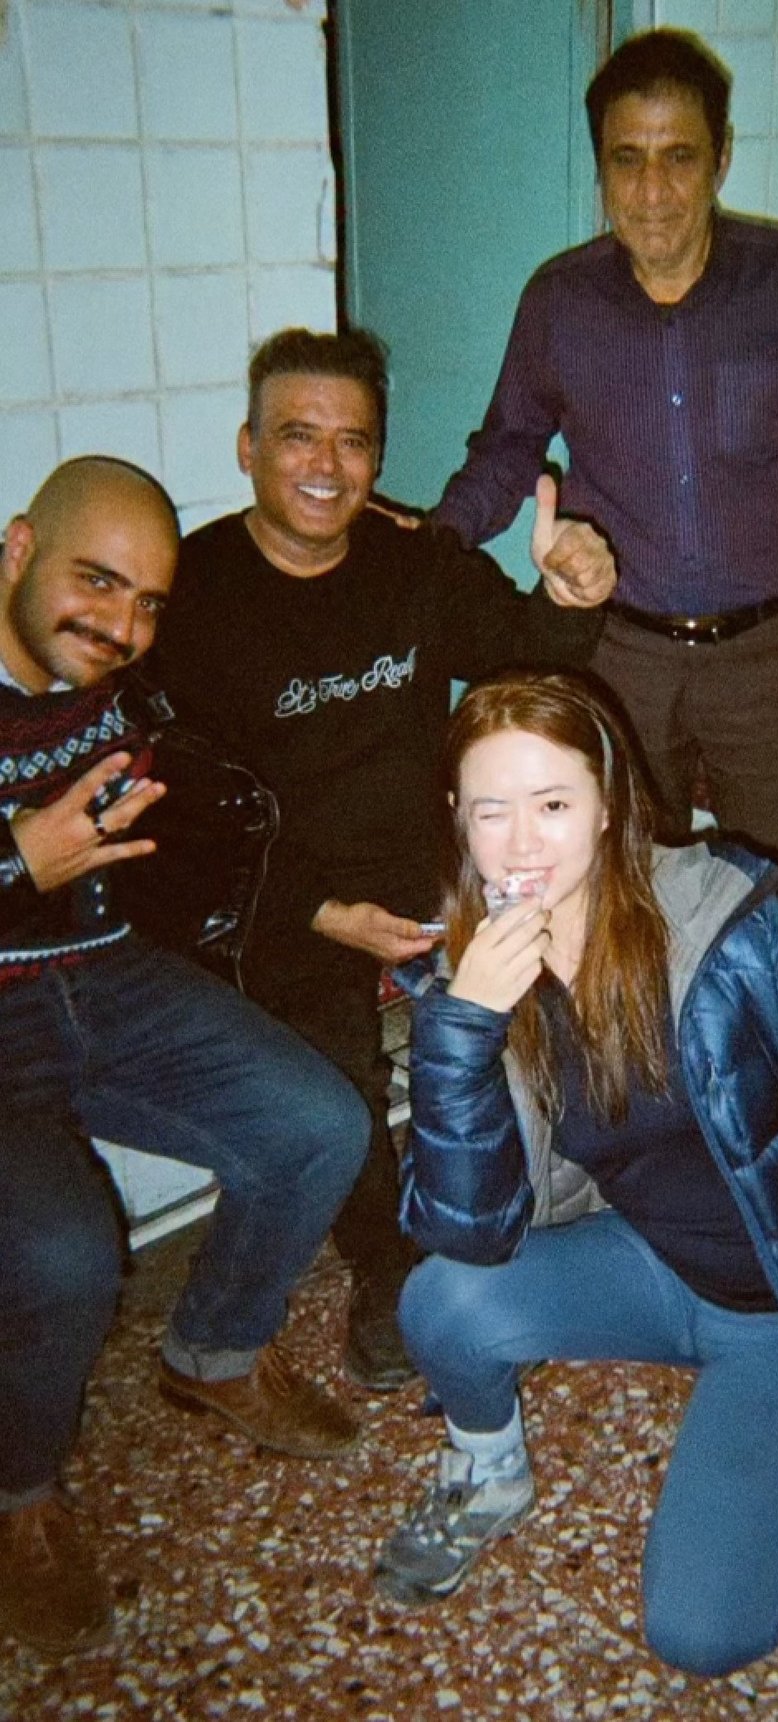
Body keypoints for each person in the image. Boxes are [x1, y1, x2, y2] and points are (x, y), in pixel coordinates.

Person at [374, 672, 778, 1676]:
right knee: (440, 1301)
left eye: (553, 805)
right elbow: (470, 1230)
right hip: (650, 1263)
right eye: (491, 811)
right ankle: (490, 1474)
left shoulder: (719, 923)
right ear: (457, 818)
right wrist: (460, 1033)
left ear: (607, 807)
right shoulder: (471, 975)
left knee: (699, 1633)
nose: (521, 844)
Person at [149, 326, 615, 1392]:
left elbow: (525, 656)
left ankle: (564, 1205)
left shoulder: (413, 564)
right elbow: (182, 822)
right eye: (297, 436)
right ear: (248, 447)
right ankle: (386, 1267)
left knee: (566, 994)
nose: (327, 465)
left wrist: (567, 599)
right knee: (337, 1088)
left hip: (435, 865)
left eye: (353, 441)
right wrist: (319, 912)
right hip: (288, 898)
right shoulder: (193, 598)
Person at [0, 458, 371, 1658]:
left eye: (147, 601)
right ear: (18, 549)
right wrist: (18, 862)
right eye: (96, 582)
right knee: (63, 1252)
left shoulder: (124, 684)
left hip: (106, 980)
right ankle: (19, 1498)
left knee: (319, 1124)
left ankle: (212, 1352)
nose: (121, 625)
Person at [434, 28, 778, 917]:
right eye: (628, 159)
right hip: (620, 658)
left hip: (769, 660)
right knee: (621, 896)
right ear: (601, 169)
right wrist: (432, 541)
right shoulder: (558, 302)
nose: (653, 192)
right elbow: (507, 446)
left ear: (721, 159)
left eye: (679, 157)